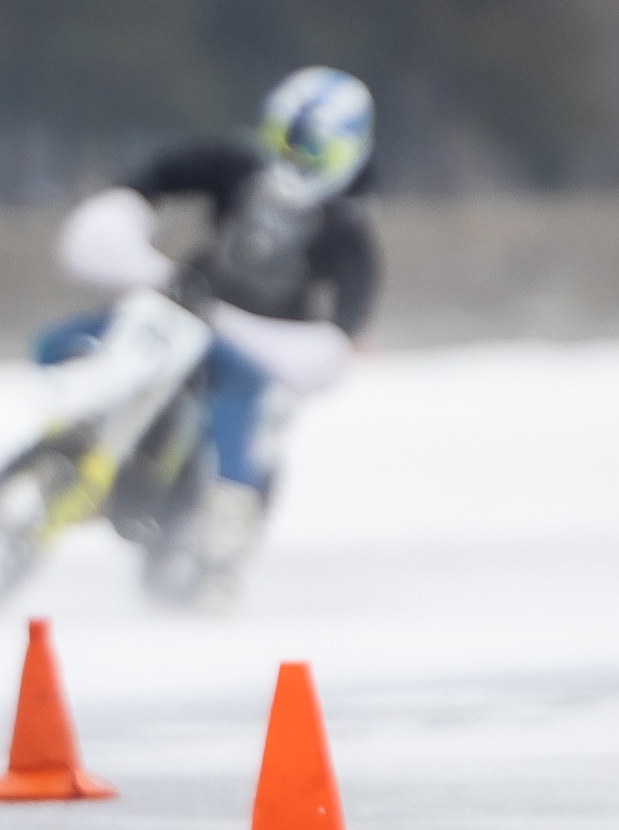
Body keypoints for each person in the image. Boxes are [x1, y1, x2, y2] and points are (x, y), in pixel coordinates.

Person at [43, 66, 381, 608]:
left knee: (238, 411)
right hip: (186, 304)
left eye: (314, 151)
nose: (295, 161)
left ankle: (227, 532)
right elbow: (168, 170)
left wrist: (336, 337)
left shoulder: (345, 230)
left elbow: (354, 301)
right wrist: (130, 199)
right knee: (62, 341)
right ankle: (68, 445)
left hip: (260, 345)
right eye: (286, 142)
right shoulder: (237, 169)